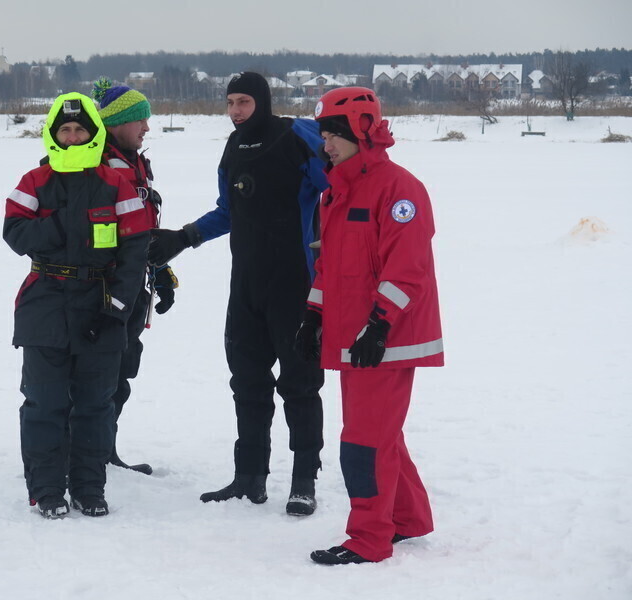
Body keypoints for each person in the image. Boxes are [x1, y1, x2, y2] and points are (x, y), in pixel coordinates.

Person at [149, 72, 329, 516]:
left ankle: (304, 481)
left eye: (244, 101)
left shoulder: (297, 134)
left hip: (296, 285)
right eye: (230, 102)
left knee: (300, 385)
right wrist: (186, 236)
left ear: (263, 101)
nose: (235, 111)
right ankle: (249, 478)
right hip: (247, 284)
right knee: (247, 382)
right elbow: (229, 211)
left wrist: (336, 250)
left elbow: (339, 190)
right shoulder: (232, 148)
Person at [294, 87, 443, 564]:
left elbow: (407, 269)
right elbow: (328, 270)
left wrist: (379, 326)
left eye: (336, 134)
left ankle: (369, 539)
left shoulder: (401, 190)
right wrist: (314, 315)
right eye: (324, 134)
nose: (327, 143)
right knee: (383, 434)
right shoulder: (334, 191)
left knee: (363, 440)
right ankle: (408, 519)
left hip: (387, 341)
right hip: (352, 338)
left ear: (363, 130)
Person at [3, 92, 150, 519]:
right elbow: (16, 234)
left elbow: (134, 250)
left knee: (95, 404)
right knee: (44, 402)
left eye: (79, 129)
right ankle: (47, 490)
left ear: (93, 133)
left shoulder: (116, 183)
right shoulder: (35, 181)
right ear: (53, 133)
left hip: (100, 305)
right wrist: (69, 221)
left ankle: (89, 488)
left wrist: (116, 310)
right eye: (64, 130)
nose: (71, 137)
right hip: (45, 303)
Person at [92, 77, 178, 475]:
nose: (147, 128)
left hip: (133, 285)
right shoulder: (97, 167)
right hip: (106, 289)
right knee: (100, 374)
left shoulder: (132, 162)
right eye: (140, 119)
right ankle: (87, 453)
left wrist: (160, 271)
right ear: (116, 122)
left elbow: (143, 229)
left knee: (122, 370)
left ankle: (104, 451)